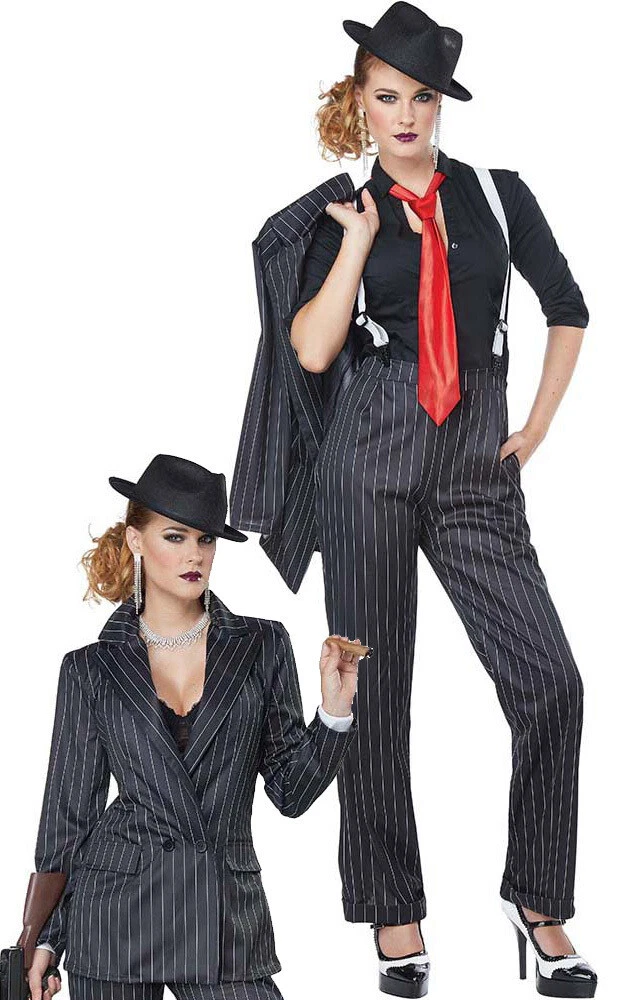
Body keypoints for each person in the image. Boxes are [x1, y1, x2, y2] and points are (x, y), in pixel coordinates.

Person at [230, 3, 597, 997]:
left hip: (479, 456)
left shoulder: (496, 196)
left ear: (440, 104)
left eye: (420, 97)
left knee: (551, 682)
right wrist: (356, 242)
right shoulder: (340, 212)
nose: (404, 115)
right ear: (359, 102)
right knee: (375, 692)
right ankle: (394, 911)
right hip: (370, 452)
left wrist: (536, 426)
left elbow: (567, 307)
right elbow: (312, 350)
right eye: (385, 96)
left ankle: (538, 902)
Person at [25, 454, 360, 1000]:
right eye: (175, 537)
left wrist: (334, 712)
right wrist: (42, 938)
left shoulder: (261, 644)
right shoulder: (89, 668)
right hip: (112, 920)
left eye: (206, 540)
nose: (194, 555)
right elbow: (69, 815)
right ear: (136, 540)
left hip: (222, 918)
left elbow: (291, 793)